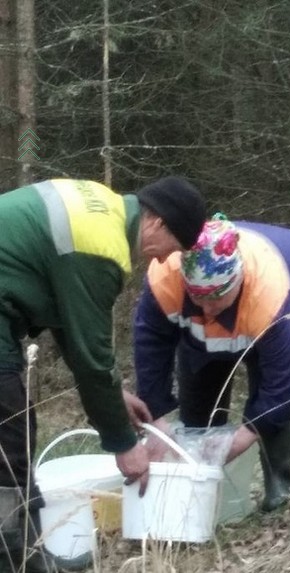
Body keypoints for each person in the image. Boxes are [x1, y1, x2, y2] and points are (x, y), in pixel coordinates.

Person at [0, 176, 206, 571]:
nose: (162, 260)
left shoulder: (101, 208)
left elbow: (69, 325)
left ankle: (25, 552)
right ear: (158, 223)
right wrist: (123, 444)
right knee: (10, 436)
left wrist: (115, 398)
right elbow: (92, 356)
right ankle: (16, 560)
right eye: (171, 249)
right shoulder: (101, 250)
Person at [132, 215, 290, 512]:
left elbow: (281, 380)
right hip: (234, 304)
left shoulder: (270, 294)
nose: (208, 308)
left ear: (238, 280)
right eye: (199, 298)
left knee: (268, 383)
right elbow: (150, 349)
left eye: (217, 297)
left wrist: (243, 438)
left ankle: (279, 484)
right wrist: (157, 420)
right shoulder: (165, 278)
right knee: (199, 366)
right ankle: (201, 487)